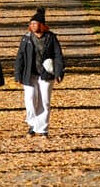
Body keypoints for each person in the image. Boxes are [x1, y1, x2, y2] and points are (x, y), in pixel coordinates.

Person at [13, 8, 64, 137]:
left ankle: (43, 129)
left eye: (35, 23)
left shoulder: (51, 38)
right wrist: (17, 74)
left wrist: (59, 72)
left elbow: (58, 55)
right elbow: (20, 57)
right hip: (29, 74)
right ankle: (32, 124)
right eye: (31, 23)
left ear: (42, 25)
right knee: (30, 99)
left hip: (46, 74)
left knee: (44, 101)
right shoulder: (26, 39)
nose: (33, 26)